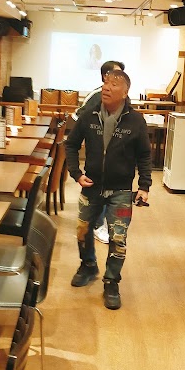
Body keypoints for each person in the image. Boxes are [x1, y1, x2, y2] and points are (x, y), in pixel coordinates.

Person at [65, 69, 152, 310]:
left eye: (114, 84)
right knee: (82, 229)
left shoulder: (135, 121)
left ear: (125, 92)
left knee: (118, 238)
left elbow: (145, 155)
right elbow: (71, 144)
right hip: (91, 186)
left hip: (121, 190)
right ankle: (88, 265)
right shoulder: (89, 115)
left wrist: (144, 186)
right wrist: (76, 173)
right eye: (105, 83)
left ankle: (111, 282)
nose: (106, 87)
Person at [72, 59, 126, 244]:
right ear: (105, 77)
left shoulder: (121, 96)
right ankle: (95, 226)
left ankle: (101, 224)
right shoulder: (96, 95)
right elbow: (79, 118)